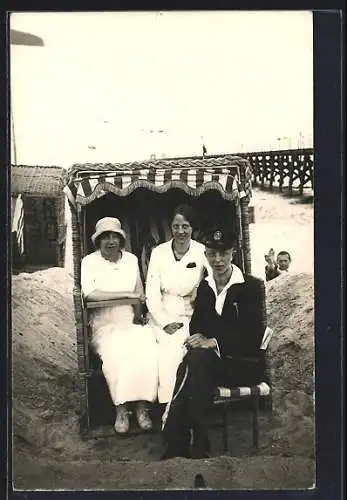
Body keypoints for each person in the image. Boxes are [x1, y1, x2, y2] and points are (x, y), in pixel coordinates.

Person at [161, 226, 267, 459]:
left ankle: (180, 437)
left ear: (233, 253)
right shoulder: (206, 288)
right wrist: (198, 337)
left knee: (192, 364)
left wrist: (215, 341)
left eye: (223, 253)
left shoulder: (250, 287)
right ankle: (198, 438)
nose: (218, 260)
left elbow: (253, 334)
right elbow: (198, 325)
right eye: (212, 254)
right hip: (210, 366)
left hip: (242, 364)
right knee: (195, 359)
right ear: (206, 255)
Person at [81, 217, 158, 434]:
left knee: (148, 345)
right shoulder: (89, 262)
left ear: (121, 238)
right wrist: (126, 294)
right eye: (105, 237)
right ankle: (121, 410)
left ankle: (143, 408)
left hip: (129, 322)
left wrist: (138, 315)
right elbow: (90, 294)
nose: (111, 241)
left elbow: (139, 294)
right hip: (104, 326)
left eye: (115, 236)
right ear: (98, 241)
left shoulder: (131, 260)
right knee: (116, 353)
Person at [145, 204, 209, 405]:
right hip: (163, 313)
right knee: (169, 350)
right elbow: (151, 293)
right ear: (170, 227)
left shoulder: (202, 251)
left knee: (192, 349)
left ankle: (190, 405)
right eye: (176, 226)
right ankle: (170, 407)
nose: (180, 231)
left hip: (192, 314)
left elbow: (214, 281)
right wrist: (164, 322)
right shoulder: (159, 253)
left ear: (192, 228)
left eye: (185, 226)